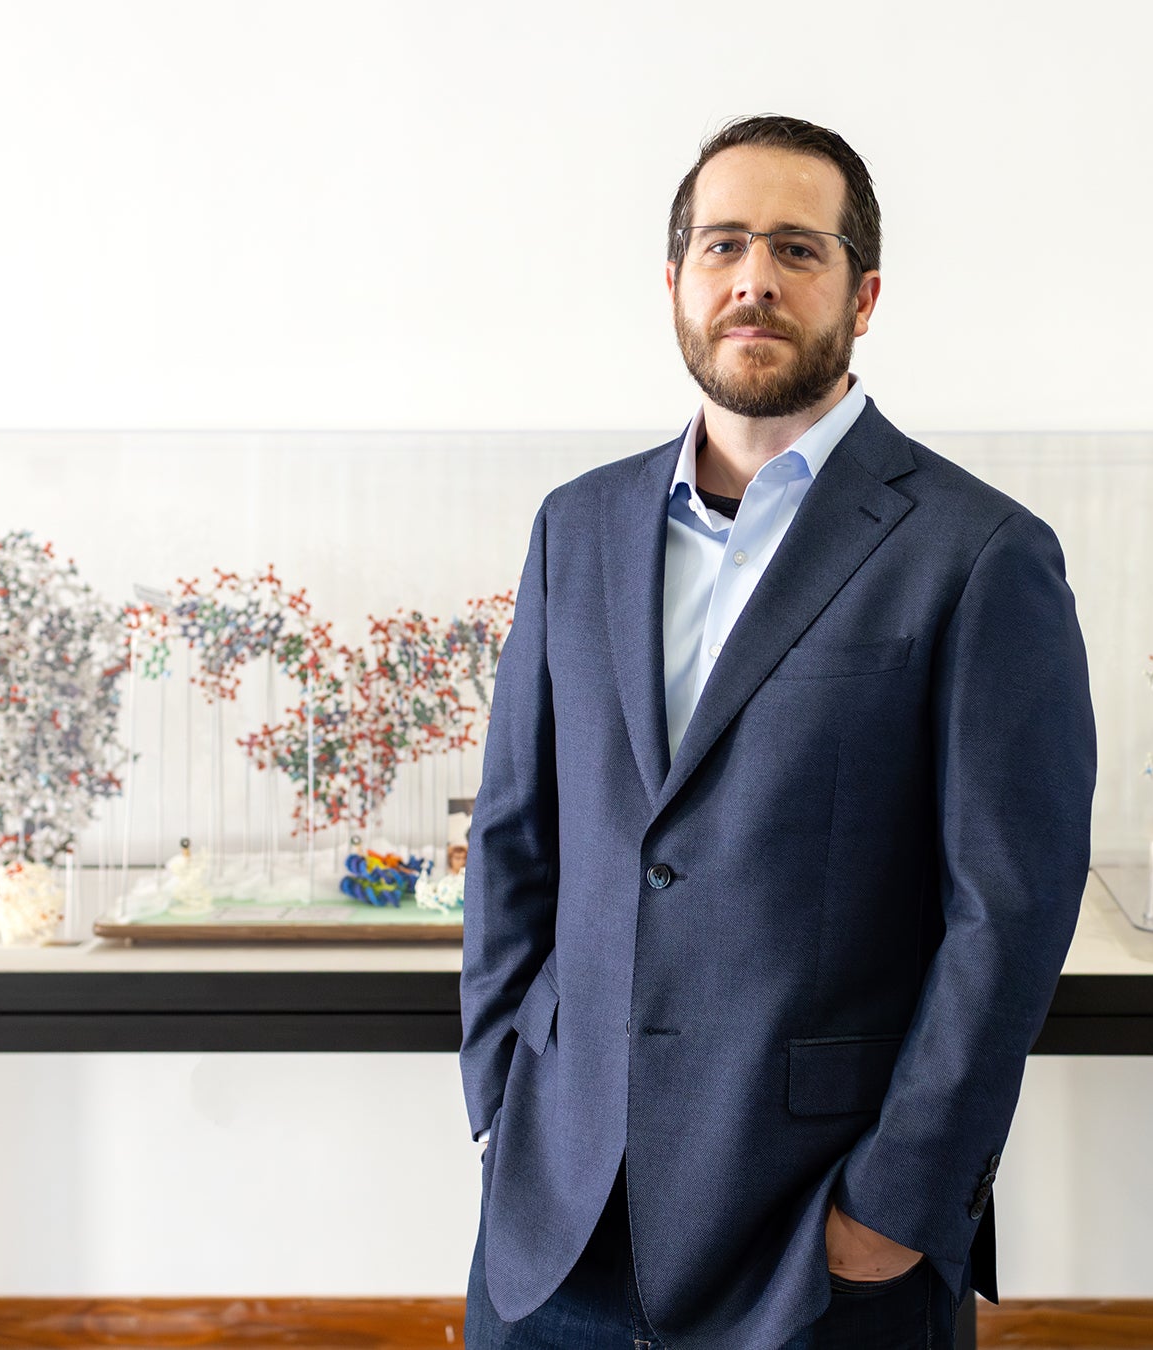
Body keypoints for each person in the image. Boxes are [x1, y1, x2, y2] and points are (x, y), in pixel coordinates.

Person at [460, 114, 1095, 1349]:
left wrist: (896, 1209)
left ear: (862, 298)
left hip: (817, 1243)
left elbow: (1007, 914)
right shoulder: (574, 529)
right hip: (556, 1225)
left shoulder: (980, 555)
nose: (754, 278)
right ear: (677, 283)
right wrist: (503, 1096)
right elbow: (515, 839)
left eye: (797, 250)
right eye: (724, 245)